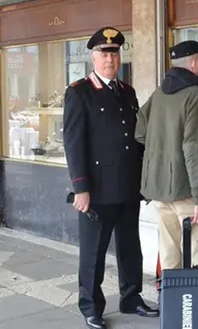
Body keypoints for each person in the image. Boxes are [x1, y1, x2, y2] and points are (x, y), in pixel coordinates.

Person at [64, 27, 158, 329]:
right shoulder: (79, 92)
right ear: (93, 57)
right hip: (98, 190)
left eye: (114, 53)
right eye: (104, 53)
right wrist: (81, 188)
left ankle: (131, 297)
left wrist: (144, 181)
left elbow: (136, 141)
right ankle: (91, 306)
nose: (110, 58)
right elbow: (74, 143)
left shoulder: (127, 92)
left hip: (128, 186)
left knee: (131, 248)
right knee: (94, 254)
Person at [135, 40, 198, 272]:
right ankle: (193, 306)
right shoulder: (196, 95)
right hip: (187, 190)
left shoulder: (159, 92)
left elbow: (140, 132)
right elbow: (194, 149)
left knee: (169, 254)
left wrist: (163, 152)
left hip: (160, 187)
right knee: (196, 255)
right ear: (194, 62)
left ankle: (170, 305)